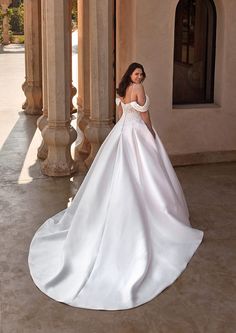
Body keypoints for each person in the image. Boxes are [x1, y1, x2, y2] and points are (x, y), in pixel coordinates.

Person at [28, 62, 204, 310]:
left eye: (141, 73)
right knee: (145, 172)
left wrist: (126, 126)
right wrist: (151, 134)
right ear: (131, 74)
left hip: (122, 132)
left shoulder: (122, 90)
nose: (139, 76)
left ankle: (116, 208)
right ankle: (150, 213)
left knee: (114, 171)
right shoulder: (139, 88)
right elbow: (144, 115)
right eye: (136, 73)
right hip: (137, 133)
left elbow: (122, 116)